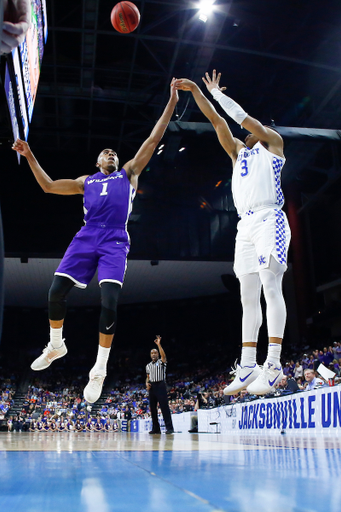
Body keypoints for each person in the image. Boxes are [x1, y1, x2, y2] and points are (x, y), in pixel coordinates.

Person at [12, 79, 179, 404]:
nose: (111, 153)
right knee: (56, 291)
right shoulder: (85, 181)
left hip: (115, 239)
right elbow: (47, 186)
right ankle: (56, 344)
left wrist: (171, 99)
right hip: (86, 236)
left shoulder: (129, 173)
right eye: (106, 152)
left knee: (109, 301)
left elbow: (155, 135)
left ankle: (99, 369)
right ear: (97, 162)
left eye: (114, 151)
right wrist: (30, 155)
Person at [175, 71, 291, 396]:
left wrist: (216, 93)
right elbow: (216, 120)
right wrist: (198, 92)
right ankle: (248, 363)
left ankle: (274, 362)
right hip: (245, 226)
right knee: (247, 296)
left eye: (255, 129)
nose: (247, 132)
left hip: (270, 219)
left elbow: (240, 117)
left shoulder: (274, 146)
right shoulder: (238, 154)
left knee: (271, 284)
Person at [146, 335, 174, 434]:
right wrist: (147, 383)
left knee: (164, 407)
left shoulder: (161, 362)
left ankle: (169, 428)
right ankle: (156, 429)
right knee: (153, 409)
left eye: (155, 352)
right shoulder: (148, 366)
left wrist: (159, 345)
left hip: (161, 385)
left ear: (158, 354)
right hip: (152, 386)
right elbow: (148, 376)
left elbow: (164, 356)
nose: (153, 354)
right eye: (152, 353)